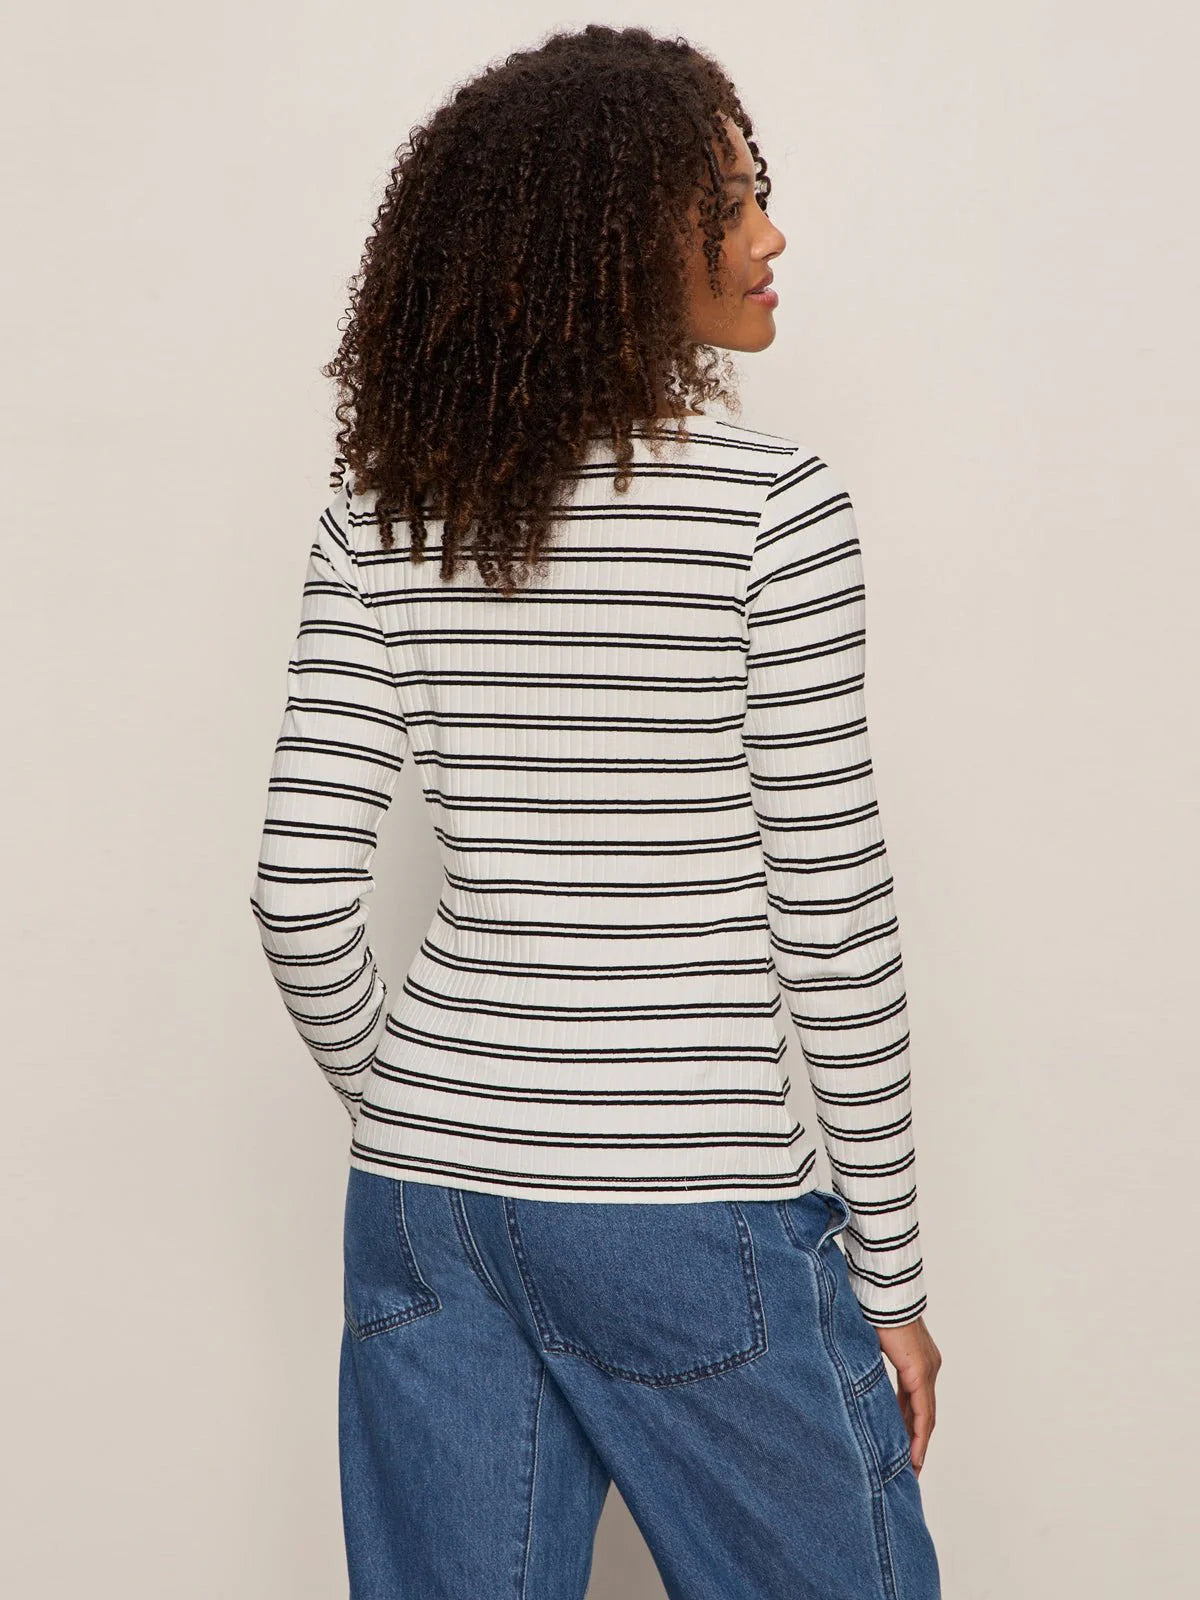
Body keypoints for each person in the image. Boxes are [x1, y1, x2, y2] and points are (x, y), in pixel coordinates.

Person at [249, 23, 943, 1599]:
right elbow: (832, 918)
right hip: (689, 1205)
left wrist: (420, 1104)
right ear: (621, 242)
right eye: (732, 203)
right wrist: (893, 1278)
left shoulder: (386, 515)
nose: (771, 238)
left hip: (424, 1204)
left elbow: (296, 895)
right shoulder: (773, 512)